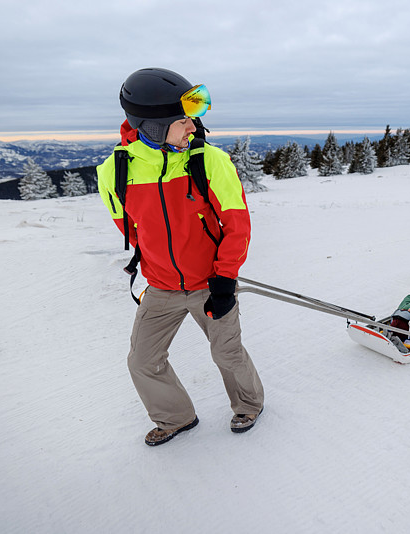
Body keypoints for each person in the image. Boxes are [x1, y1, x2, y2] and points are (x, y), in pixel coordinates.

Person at [96, 68, 264, 446]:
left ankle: (249, 403)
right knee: (142, 361)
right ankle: (176, 418)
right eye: (182, 120)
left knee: (226, 352)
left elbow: (237, 224)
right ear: (153, 127)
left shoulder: (209, 161)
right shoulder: (115, 172)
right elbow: (131, 230)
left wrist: (224, 278)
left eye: (192, 117)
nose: (193, 126)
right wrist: (160, 265)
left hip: (210, 283)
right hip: (161, 287)